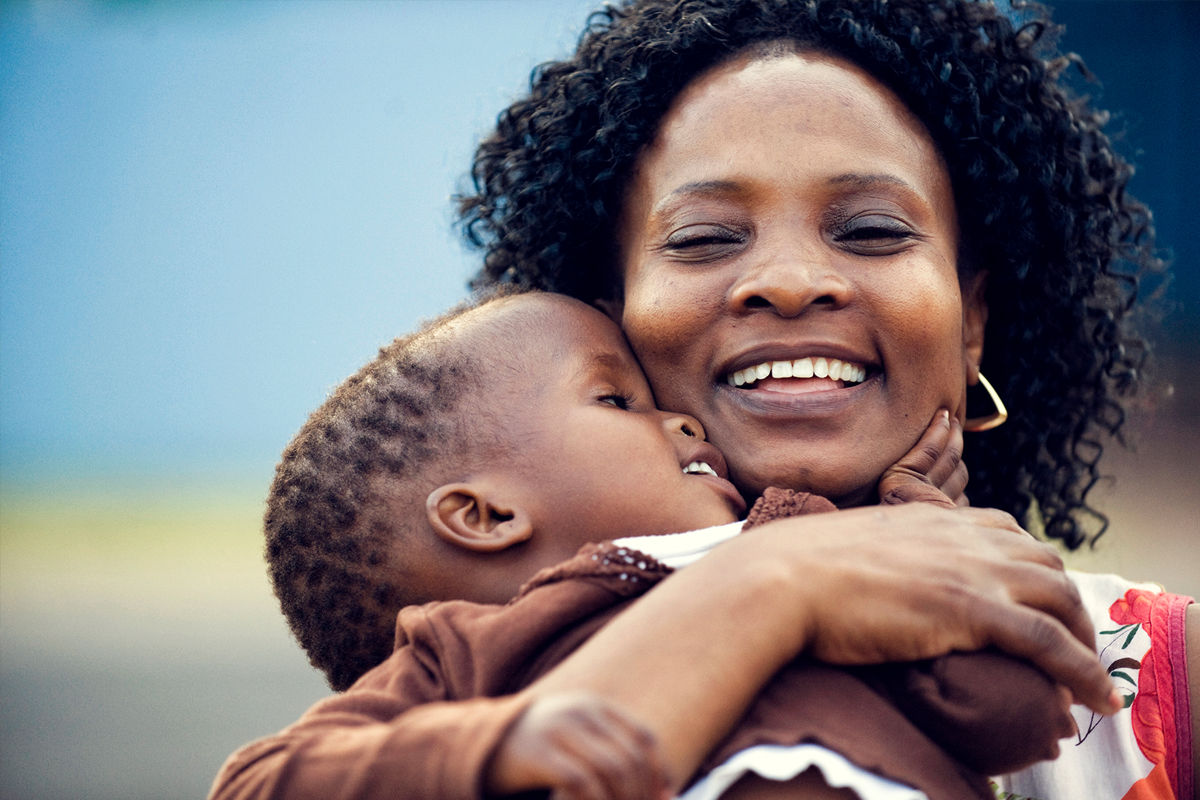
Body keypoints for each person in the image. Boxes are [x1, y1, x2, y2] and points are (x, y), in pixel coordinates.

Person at [456, 1, 1197, 798]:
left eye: (873, 230)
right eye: (704, 238)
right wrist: (774, 584)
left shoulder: (1168, 680)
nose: (789, 281)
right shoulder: (472, 672)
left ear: (971, 320)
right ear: (607, 315)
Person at [211, 289, 1077, 800]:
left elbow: (1014, 716)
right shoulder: (467, 664)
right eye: (617, 401)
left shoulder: (815, 541)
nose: (683, 417)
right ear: (483, 515)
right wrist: (497, 746)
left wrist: (924, 539)